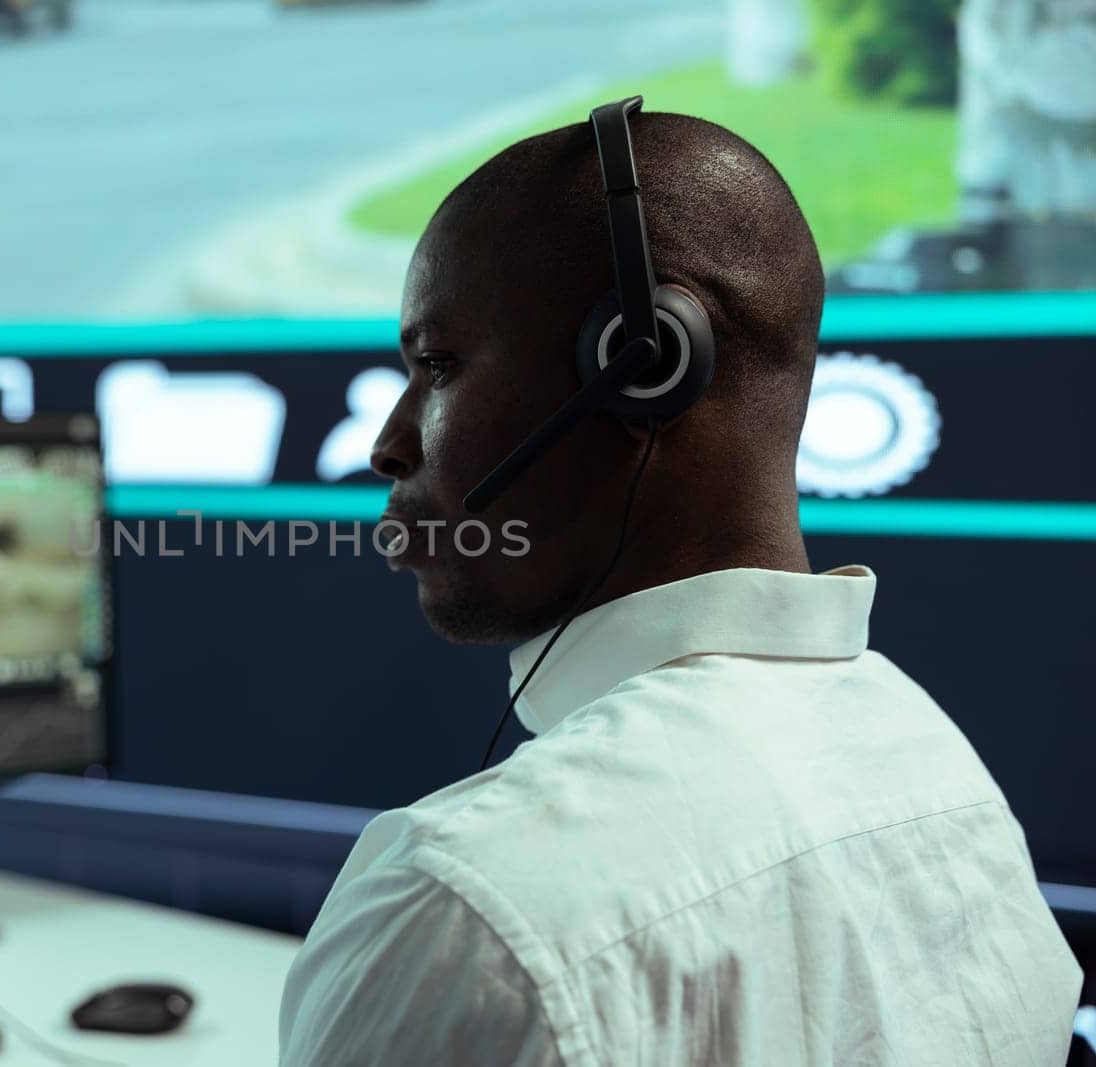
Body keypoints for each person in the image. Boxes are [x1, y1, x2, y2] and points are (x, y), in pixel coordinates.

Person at [277, 108, 1082, 1065]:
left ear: (642, 366)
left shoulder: (470, 909)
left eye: (439, 364)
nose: (388, 440)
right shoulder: (943, 776)